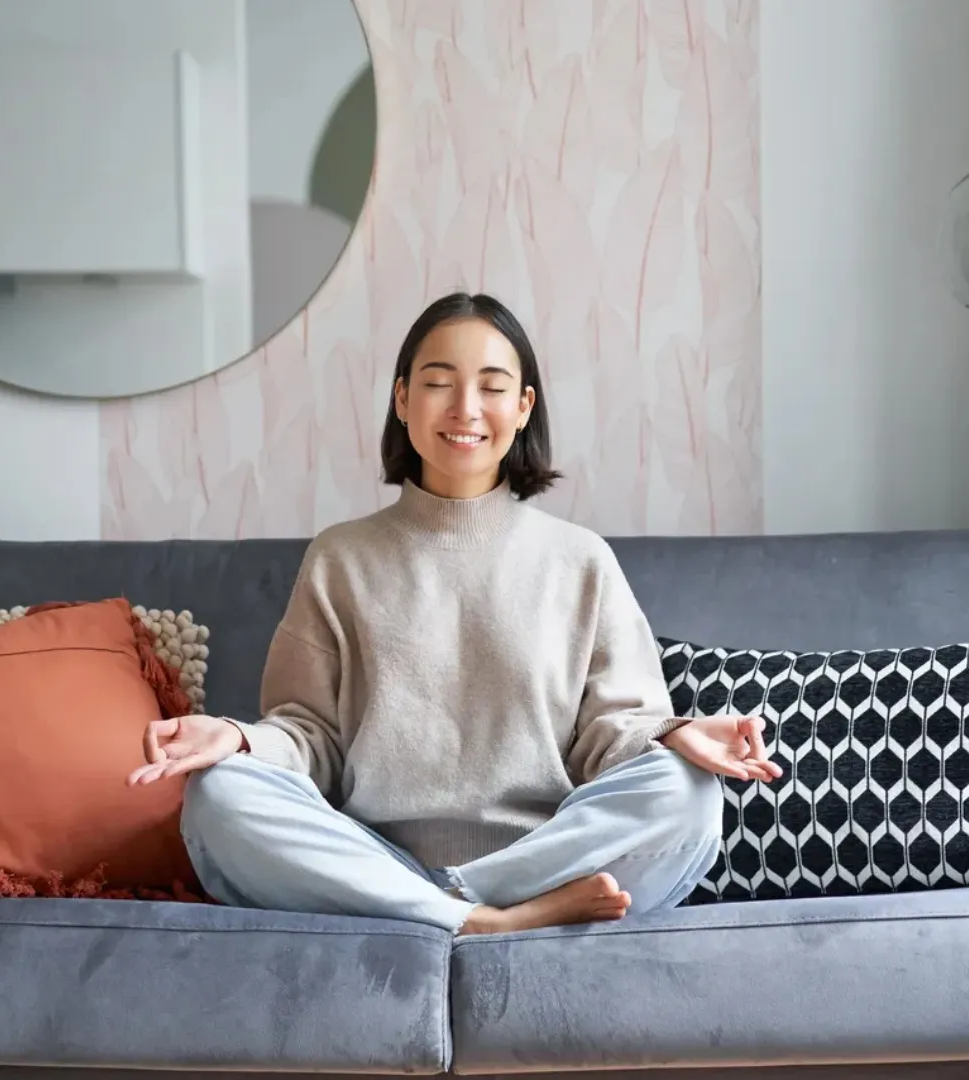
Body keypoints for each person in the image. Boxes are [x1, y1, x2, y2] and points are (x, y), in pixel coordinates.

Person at [128, 291, 782, 936]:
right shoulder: (341, 558)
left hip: (539, 856)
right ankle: (481, 920)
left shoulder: (580, 560)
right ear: (403, 399)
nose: (466, 409)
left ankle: (443, 907)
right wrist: (239, 741)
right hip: (371, 853)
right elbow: (311, 739)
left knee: (688, 794)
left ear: (524, 407)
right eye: (440, 383)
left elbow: (611, 734)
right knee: (219, 796)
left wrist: (672, 737)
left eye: (493, 387)